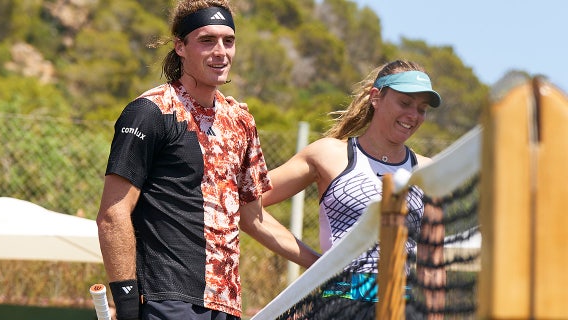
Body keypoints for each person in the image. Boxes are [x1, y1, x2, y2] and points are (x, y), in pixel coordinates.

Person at [95, 1, 320, 320]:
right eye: (206, 40)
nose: (221, 51)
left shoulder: (240, 121)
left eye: (228, 41)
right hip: (165, 299)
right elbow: (113, 214)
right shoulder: (151, 112)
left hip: (225, 306)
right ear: (180, 47)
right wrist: (128, 303)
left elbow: (253, 218)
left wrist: (323, 265)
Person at [262, 60, 446, 318]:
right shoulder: (329, 154)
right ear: (376, 98)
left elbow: (432, 266)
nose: (413, 116)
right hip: (338, 306)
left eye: (422, 108)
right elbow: (247, 203)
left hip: (400, 309)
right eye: (405, 103)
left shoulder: (427, 172)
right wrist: (315, 263)